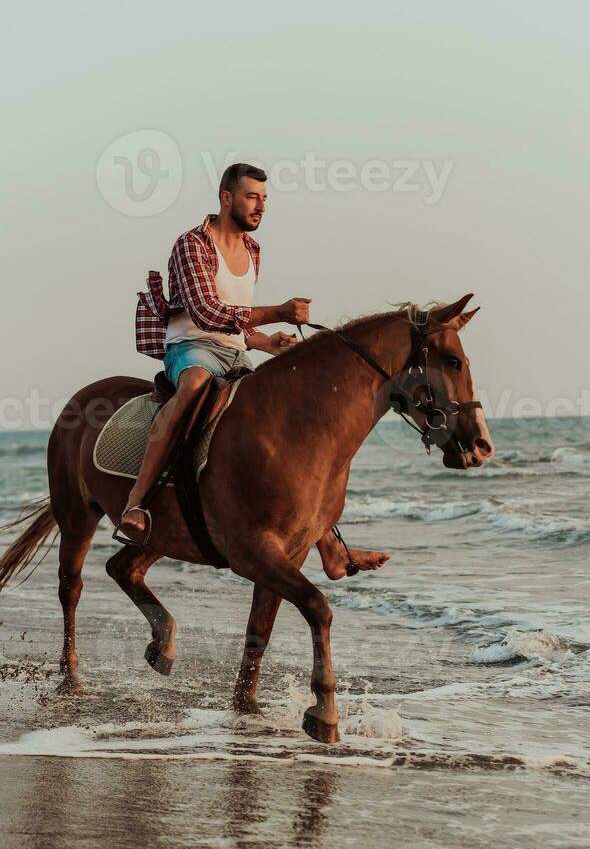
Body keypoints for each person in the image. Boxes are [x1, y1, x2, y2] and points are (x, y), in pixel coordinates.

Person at [120, 162, 390, 579]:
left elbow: (234, 320)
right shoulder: (192, 244)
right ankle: (137, 502)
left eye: (264, 199)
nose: (260, 206)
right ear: (226, 198)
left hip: (234, 352)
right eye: (251, 197)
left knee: (289, 418)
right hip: (191, 348)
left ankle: (331, 547)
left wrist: (266, 342)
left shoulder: (253, 250)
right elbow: (206, 312)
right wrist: (278, 312)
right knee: (193, 387)